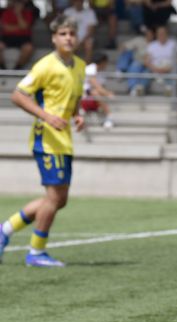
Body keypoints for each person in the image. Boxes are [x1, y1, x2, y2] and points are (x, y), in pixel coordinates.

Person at [0, 15, 86, 267]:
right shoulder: (45, 65)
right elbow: (18, 95)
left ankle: (5, 230)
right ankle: (36, 252)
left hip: (64, 140)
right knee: (54, 198)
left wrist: (77, 116)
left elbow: (74, 100)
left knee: (59, 199)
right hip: (46, 140)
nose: (68, 38)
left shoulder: (80, 66)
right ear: (53, 38)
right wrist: (47, 116)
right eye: (63, 34)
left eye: (71, 33)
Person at [81, 52, 115, 129]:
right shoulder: (90, 69)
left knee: (98, 93)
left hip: (94, 99)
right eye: (106, 62)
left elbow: (101, 88)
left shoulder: (102, 73)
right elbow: (95, 85)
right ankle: (109, 115)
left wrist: (106, 93)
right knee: (95, 92)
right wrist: (108, 94)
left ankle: (104, 113)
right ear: (102, 62)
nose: (107, 65)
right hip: (84, 98)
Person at [116, 26, 153, 95]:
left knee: (145, 72)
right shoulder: (139, 40)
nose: (149, 35)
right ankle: (121, 70)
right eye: (148, 33)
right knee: (128, 54)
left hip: (149, 64)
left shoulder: (155, 44)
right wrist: (124, 48)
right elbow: (124, 46)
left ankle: (136, 89)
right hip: (137, 61)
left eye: (151, 34)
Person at [0, 0, 36, 70]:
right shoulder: (6, 13)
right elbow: (6, 28)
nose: (18, 5)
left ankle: (17, 68)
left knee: (29, 48)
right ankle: (2, 67)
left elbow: (24, 26)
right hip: (7, 38)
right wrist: (19, 28)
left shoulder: (28, 13)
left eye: (20, 3)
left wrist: (18, 14)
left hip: (24, 38)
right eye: (17, 3)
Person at [144, 24, 177, 92]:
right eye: (159, 33)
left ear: (167, 34)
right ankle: (141, 88)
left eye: (163, 33)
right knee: (146, 71)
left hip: (169, 66)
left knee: (175, 70)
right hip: (155, 67)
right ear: (156, 34)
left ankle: (169, 88)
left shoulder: (174, 44)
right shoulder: (152, 45)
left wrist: (167, 68)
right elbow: (146, 60)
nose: (161, 35)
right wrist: (155, 69)